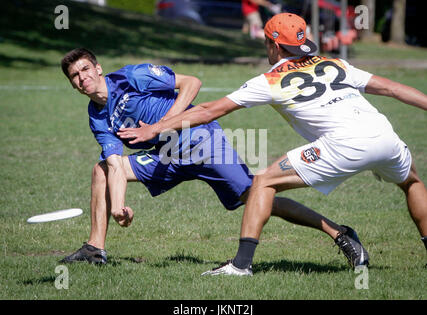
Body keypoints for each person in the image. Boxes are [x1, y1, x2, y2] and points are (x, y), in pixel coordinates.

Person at [118, 13, 427, 275]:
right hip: (383, 135)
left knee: (263, 182)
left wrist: (155, 129)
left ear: (275, 45)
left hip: (343, 145)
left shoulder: (269, 80)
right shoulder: (336, 63)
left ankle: (241, 266)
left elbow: (208, 110)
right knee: (412, 182)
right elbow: (391, 88)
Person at [59, 47, 367, 267]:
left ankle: (339, 233)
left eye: (85, 69)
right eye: (74, 75)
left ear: (98, 68)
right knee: (101, 170)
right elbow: (115, 165)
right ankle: (95, 249)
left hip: (201, 140)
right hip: (167, 156)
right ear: (72, 85)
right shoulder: (97, 117)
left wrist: (161, 126)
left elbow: (192, 82)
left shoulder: (132, 77)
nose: (82, 77)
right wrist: (119, 206)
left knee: (255, 195)